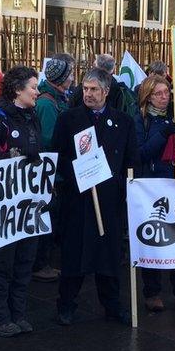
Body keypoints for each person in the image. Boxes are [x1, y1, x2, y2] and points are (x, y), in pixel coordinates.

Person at [53, 68, 138, 325]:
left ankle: (112, 305)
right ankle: (66, 305)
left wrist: (127, 188)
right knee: (74, 257)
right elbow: (57, 156)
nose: (88, 94)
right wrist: (80, 172)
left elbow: (131, 160)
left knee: (109, 258)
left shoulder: (123, 122)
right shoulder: (69, 119)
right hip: (79, 200)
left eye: (93, 90)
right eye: (85, 89)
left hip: (110, 201)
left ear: (106, 91)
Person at [0, 66, 43, 336]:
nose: (37, 92)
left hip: (29, 203)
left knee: (25, 261)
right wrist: (13, 156)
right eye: (33, 87)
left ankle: (18, 312)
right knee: (2, 262)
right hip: (2, 205)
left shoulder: (31, 117)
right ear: (17, 90)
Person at [133, 75, 175, 311]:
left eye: (167, 92)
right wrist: (164, 133)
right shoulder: (140, 120)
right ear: (148, 96)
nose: (164, 97)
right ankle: (153, 291)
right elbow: (140, 153)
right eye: (159, 94)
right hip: (152, 188)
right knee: (154, 239)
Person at [32, 57, 75, 282]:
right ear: (61, 78)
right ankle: (41, 263)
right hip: (52, 173)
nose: (72, 78)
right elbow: (49, 139)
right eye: (70, 75)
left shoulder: (55, 99)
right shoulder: (48, 104)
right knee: (48, 217)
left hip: (56, 171)